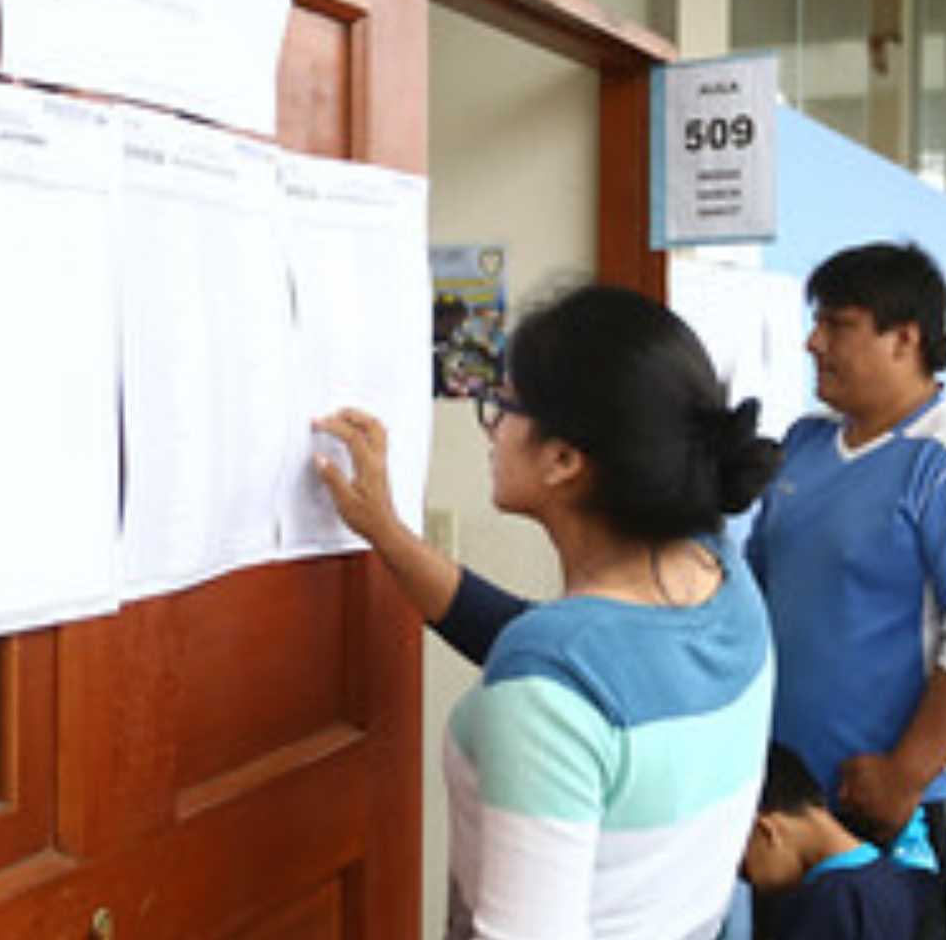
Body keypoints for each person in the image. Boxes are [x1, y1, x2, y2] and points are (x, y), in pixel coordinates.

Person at [312, 284, 782, 939]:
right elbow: (571, 657)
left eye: (502, 405)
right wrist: (387, 533)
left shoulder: (551, 681)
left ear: (563, 459)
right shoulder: (722, 581)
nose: (492, 426)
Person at [746, 242, 946, 940]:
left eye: (837, 324)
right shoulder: (805, 446)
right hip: (802, 812)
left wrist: (904, 775)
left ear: (905, 337)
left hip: (927, 804)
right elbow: (757, 592)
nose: (813, 342)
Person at [743, 742, 945, 940]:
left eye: (742, 868)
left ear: (764, 829)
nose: (749, 881)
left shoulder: (826, 906)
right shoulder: (910, 878)